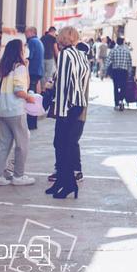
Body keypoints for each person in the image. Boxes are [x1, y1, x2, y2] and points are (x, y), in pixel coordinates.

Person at [47, 27, 90, 199]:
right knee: (64, 144)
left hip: (67, 105)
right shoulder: (81, 55)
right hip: (78, 104)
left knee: (61, 144)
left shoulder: (65, 54)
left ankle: (68, 184)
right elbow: (82, 81)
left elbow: (63, 84)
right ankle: (63, 182)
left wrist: (61, 111)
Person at [0, 40, 36, 187]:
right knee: (22, 144)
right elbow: (19, 90)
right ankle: (18, 176)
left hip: (1, 110)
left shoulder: (1, 68)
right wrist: (29, 97)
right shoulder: (20, 68)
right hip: (15, 110)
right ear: (19, 51)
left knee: (3, 145)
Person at [25, 27, 45, 130]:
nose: (25, 34)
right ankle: (33, 122)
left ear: (31, 32)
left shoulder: (32, 42)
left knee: (31, 97)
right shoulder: (39, 41)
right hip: (38, 71)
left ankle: (31, 122)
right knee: (34, 96)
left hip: (32, 71)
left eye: (26, 32)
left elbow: (28, 56)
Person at [107, 37, 134, 110]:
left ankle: (116, 103)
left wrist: (106, 70)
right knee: (123, 86)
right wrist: (130, 71)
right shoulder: (126, 51)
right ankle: (121, 100)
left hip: (115, 71)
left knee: (115, 87)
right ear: (123, 42)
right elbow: (129, 62)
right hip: (124, 71)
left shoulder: (113, 50)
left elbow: (108, 60)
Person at [41, 27, 59, 117]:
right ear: (53, 31)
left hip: (42, 57)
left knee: (43, 74)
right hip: (49, 57)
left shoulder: (43, 37)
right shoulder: (53, 38)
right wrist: (58, 58)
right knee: (48, 75)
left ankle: (41, 89)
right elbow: (55, 49)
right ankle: (44, 91)